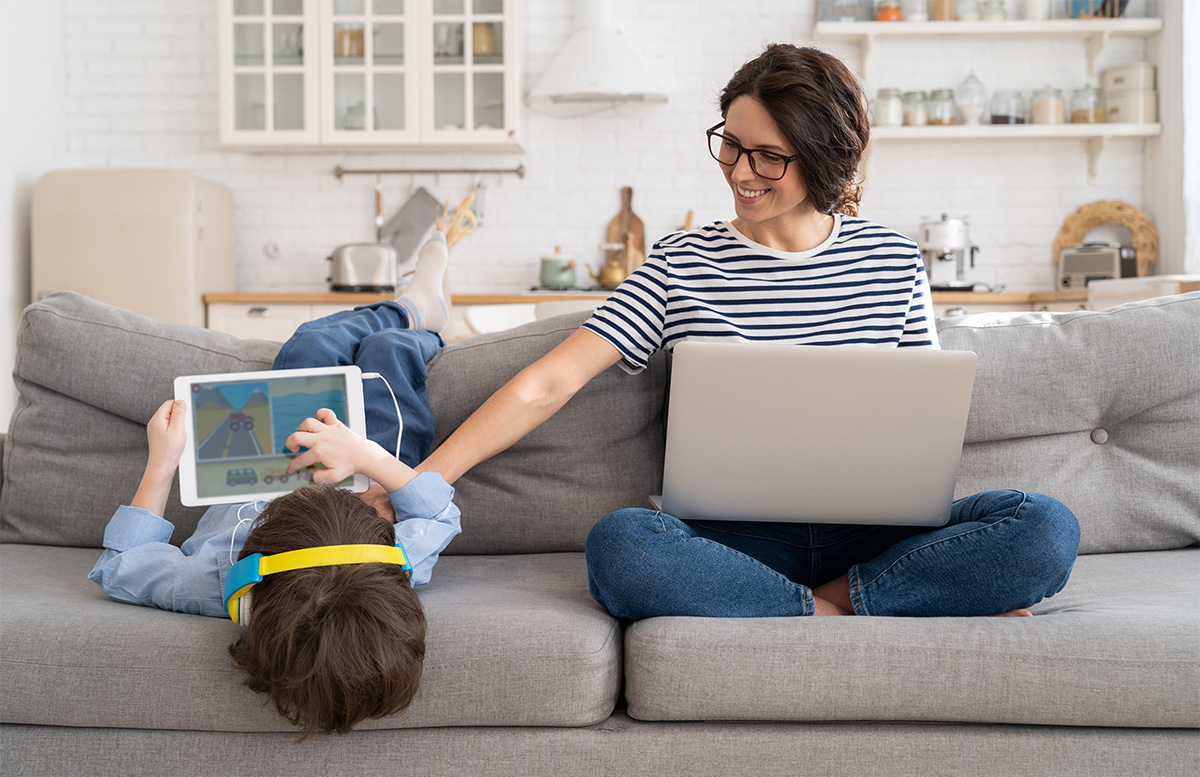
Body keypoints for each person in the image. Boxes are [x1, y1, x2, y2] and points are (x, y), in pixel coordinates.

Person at [416, 44, 1080, 620]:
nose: (739, 172)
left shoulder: (893, 259)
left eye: (768, 157)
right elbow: (549, 382)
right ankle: (856, 604)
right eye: (730, 144)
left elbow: (923, 421)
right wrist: (417, 486)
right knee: (622, 546)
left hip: (873, 533)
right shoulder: (682, 260)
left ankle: (790, 602)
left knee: (1044, 529)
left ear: (822, 157)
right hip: (732, 539)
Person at [89, 234, 460, 739]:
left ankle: (408, 306)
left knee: (310, 341)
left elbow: (120, 567)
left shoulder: (213, 583)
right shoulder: (393, 572)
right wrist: (368, 457)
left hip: (278, 445)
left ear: (250, 601)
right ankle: (423, 316)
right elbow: (438, 515)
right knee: (388, 353)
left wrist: (162, 463)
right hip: (370, 458)